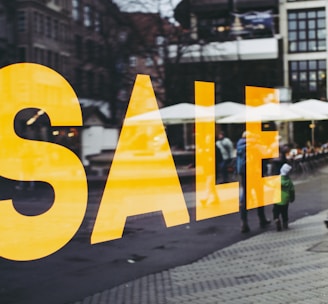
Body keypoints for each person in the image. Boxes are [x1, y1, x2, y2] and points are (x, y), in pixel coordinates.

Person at [236, 131, 271, 233]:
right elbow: (267, 154)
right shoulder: (255, 145)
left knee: (245, 198)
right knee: (259, 196)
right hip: (255, 173)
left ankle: (244, 223)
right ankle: (262, 219)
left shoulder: (240, 145)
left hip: (244, 173)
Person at [273, 163, 295, 231]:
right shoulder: (289, 181)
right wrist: (292, 198)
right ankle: (285, 224)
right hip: (285, 200)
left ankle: (276, 219)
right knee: (284, 212)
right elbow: (292, 191)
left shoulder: (277, 180)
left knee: (275, 211)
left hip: (277, 199)